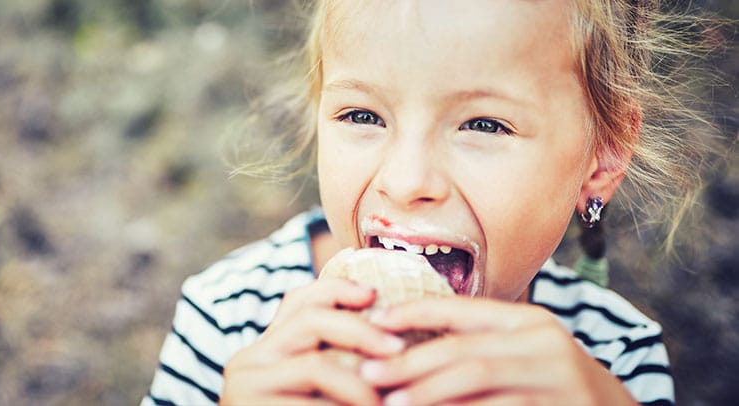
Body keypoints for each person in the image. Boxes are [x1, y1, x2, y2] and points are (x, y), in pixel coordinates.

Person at [143, 0, 722, 404]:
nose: (406, 179)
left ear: (602, 159)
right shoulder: (229, 321)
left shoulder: (610, 362)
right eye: (363, 115)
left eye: (485, 125)